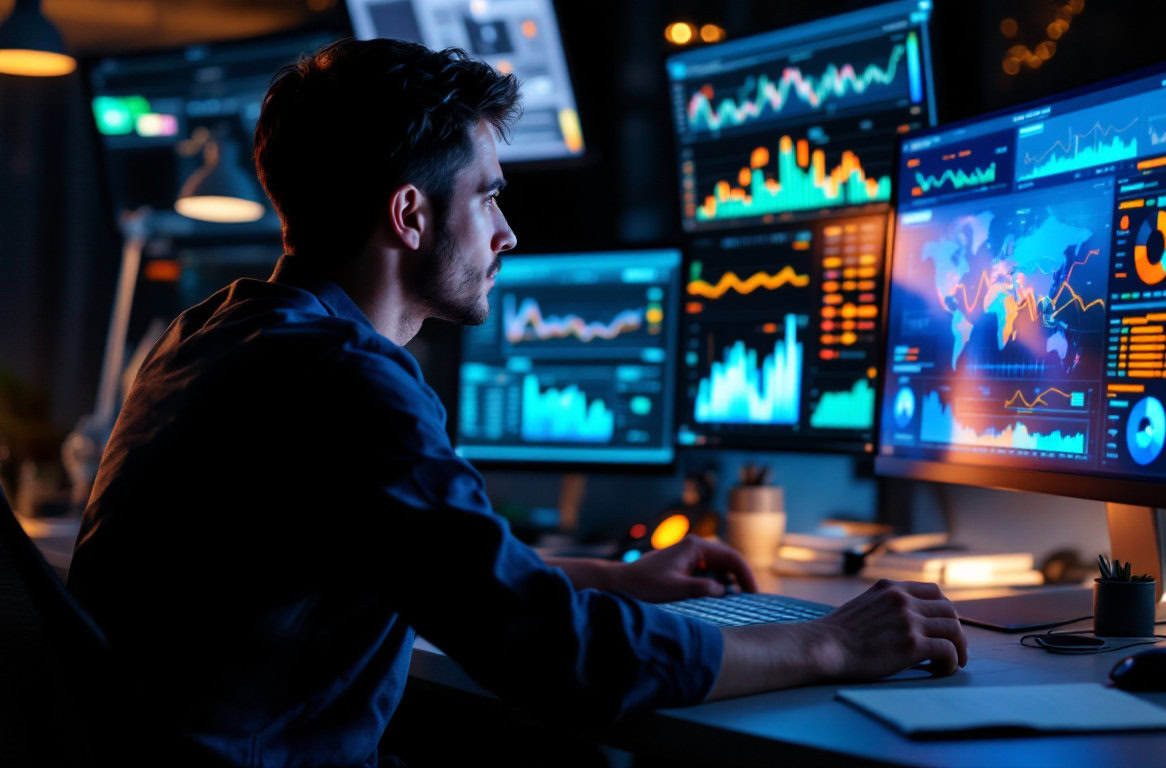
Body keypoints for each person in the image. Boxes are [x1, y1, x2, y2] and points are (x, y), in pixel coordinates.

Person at [67, 38, 967, 767]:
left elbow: (422, 565)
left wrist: (617, 578)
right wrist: (831, 646)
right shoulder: (345, 379)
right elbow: (555, 658)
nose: (509, 233)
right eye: (490, 195)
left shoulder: (213, 335)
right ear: (411, 215)